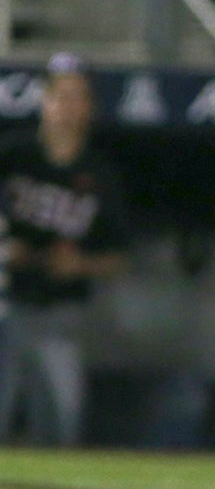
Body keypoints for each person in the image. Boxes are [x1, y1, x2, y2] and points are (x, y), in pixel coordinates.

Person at [0, 53, 131, 446]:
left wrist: (80, 264)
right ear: (44, 100)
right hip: (7, 302)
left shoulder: (101, 174)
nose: (69, 107)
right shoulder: (13, 156)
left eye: (79, 98)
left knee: (59, 425)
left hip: (64, 313)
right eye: (61, 96)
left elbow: (119, 258)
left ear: (90, 107)